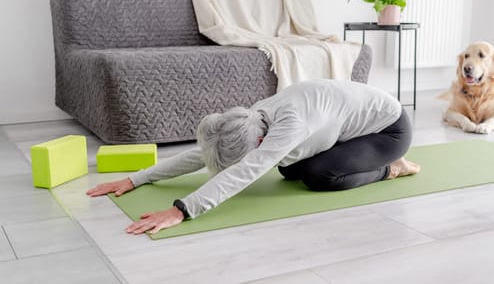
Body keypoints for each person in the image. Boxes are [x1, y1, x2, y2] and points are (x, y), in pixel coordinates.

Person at [87, 79, 420, 235]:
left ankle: (391, 169)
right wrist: (137, 178)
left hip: (388, 131)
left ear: (259, 141)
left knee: (318, 176)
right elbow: (202, 154)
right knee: (290, 171)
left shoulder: (289, 126)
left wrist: (181, 210)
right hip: (339, 127)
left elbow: (246, 171)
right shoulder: (250, 118)